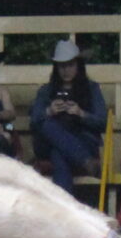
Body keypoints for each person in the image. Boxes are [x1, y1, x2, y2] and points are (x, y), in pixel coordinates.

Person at [30, 40, 107, 201]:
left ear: (78, 65)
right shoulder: (46, 90)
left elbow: (102, 122)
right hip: (50, 143)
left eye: (70, 65)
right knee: (48, 125)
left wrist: (81, 113)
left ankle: (63, 205)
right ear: (56, 67)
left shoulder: (91, 88)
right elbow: (34, 121)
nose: (66, 70)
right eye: (61, 66)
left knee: (59, 153)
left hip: (81, 140)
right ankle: (86, 161)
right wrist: (49, 111)